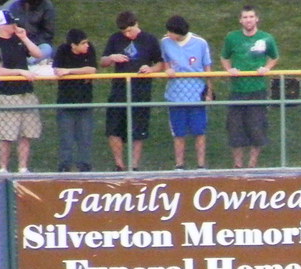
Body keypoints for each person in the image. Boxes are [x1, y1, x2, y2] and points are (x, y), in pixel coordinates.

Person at [100, 9, 164, 171]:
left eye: (130, 30)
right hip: (119, 89)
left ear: (136, 24)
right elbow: (103, 61)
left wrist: (150, 69)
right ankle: (119, 165)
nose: (127, 35)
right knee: (114, 129)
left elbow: (160, 63)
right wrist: (111, 58)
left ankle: (134, 165)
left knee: (138, 130)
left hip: (141, 90)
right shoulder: (115, 39)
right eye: (124, 32)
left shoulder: (149, 39)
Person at [220, 4, 278, 169]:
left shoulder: (266, 38)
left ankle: (252, 165)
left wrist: (266, 68)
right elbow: (224, 57)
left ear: (257, 19)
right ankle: (238, 165)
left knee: (257, 127)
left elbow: (274, 57)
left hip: (257, 90)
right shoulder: (232, 37)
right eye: (245, 17)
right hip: (237, 90)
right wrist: (229, 69)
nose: (248, 20)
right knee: (235, 128)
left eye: (251, 17)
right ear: (240, 20)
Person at [0, 8, 42, 173]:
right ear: (2, 25)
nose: (14, 26)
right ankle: (3, 168)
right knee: (6, 135)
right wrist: (20, 72)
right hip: (8, 94)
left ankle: (23, 167)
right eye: (11, 23)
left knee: (27, 133)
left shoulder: (18, 39)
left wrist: (24, 38)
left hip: (26, 93)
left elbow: (37, 54)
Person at [160, 14, 212, 170]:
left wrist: (209, 91)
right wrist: (168, 69)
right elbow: (165, 62)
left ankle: (201, 164)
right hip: (175, 94)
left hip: (196, 94)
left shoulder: (200, 43)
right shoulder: (164, 42)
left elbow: (207, 67)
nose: (169, 35)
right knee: (178, 132)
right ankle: (179, 164)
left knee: (199, 130)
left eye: (171, 32)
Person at [53, 27, 96, 172]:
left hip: (85, 101)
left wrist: (70, 71)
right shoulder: (62, 50)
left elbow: (92, 69)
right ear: (73, 45)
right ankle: (65, 166)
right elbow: (57, 71)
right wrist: (75, 72)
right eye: (83, 43)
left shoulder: (90, 50)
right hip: (66, 102)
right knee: (67, 138)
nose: (87, 46)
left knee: (85, 137)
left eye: (86, 43)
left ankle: (85, 165)